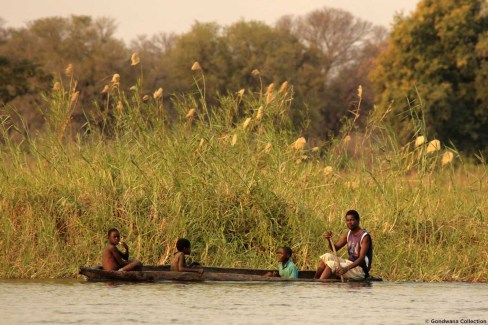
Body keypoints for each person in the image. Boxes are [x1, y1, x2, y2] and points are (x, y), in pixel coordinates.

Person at [315, 210, 373, 280]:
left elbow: (361, 259)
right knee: (326, 256)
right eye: (347, 220)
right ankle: (314, 280)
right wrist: (329, 239)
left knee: (331, 265)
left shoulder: (364, 236)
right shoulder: (348, 234)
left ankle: (320, 283)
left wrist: (346, 269)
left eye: (352, 220)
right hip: (349, 263)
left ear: (358, 220)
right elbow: (335, 248)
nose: (349, 222)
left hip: (359, 270)